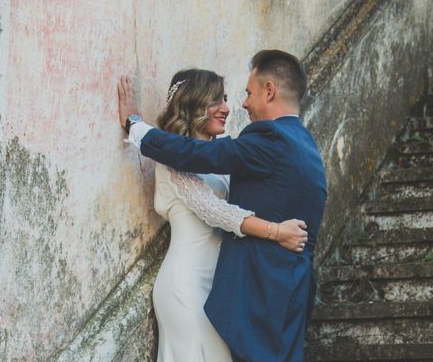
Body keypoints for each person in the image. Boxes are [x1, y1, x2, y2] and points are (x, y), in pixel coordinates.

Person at [118, 50, 327, 361]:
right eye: (218, 100)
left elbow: (205, 157)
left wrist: (137, 127)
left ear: (269, 91)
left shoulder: (271, 138)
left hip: (239, 287)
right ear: (196, 105)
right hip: (195, 284)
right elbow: (216, 208)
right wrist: (135, 126)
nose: (238, 106)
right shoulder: (305, 144)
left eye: (246, 93)